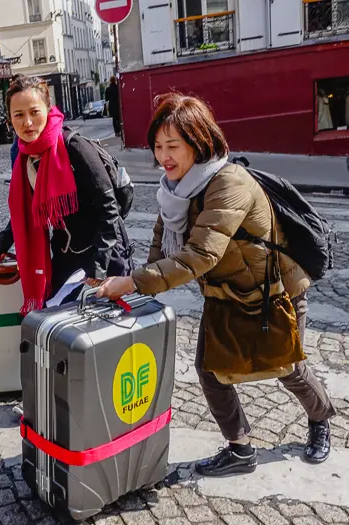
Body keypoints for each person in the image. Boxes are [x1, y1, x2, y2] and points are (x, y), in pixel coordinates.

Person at [96, 93, 335, 476]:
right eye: (158, 146)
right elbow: (162, 247)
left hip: (273, 295)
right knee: (209, 371)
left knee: (286, 366)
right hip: (224, 294)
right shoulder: (174, 190)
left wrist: (132, 283)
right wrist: (133, 282)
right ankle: (240, 449)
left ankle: (320, 418)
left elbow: (199, 256)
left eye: (173, 146)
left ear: (199, 141)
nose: (163, 156)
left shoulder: (228, 183)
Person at [0, 75, 133, 313]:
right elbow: (26, 210)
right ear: (10, 119)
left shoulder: (75, 148)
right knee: (59, 324)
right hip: (66, 257)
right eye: (19, 115)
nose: (28, 122)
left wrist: (99, 266)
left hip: (102, 255)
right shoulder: (26, 157)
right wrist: (2, 244)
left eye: (34, 112)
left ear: (48, 108)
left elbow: (109, 209)